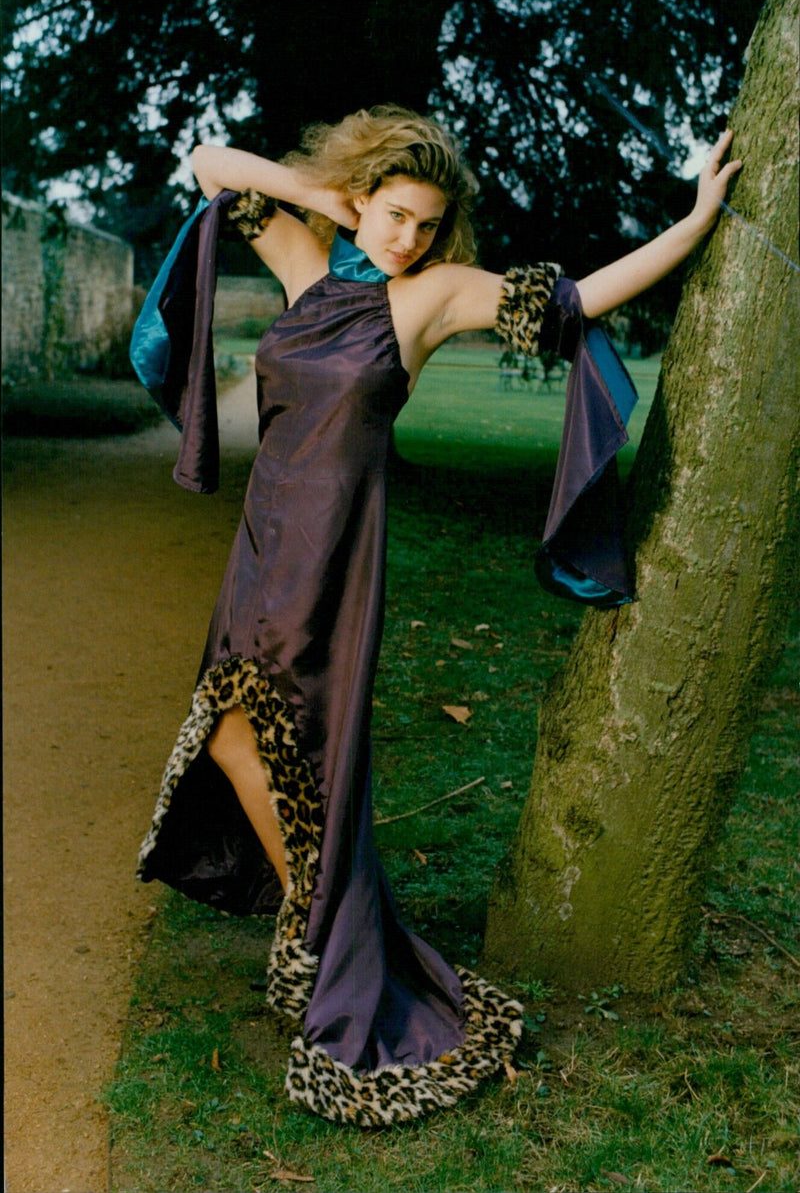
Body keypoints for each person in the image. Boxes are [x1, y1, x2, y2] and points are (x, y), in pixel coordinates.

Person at [136, 105, 740, 1125]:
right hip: (259, 545)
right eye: (392, 213)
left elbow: (583, 295)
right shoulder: (305, 263)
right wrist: (318, 196)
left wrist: (694, 218)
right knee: (235, 743)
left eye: (423, 222)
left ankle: (332, 947)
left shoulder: (430, 300)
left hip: (332, 559)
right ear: (360, 198)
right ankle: (321, 926)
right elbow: (206, 162)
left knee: (295, 751)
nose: (404, 236)